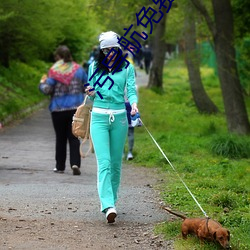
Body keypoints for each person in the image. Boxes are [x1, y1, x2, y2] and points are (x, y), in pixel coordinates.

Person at [85, 31, 138, 223]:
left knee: (116, 164)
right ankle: (107, 205)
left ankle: (112, 201)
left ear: (118, 49)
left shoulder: (126, 68)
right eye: (105, 50)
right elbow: (90, 91)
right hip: (98, 117)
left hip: (120, 118)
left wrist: (133, 104)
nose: (109, 53)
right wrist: (89, 91)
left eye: (112, 49)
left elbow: (131, 90)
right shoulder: (94, 67)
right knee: (104, 163)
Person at [39, 45, 87, 175]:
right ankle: (75, 163)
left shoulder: (54, 71)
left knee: (60, 138)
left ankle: (60, 167)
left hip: (58, 109)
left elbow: (47, 90)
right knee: (74, 136)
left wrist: (42, 83)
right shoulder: (79, 70)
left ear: (58, 57)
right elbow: (86, 87)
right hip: (75, 109)